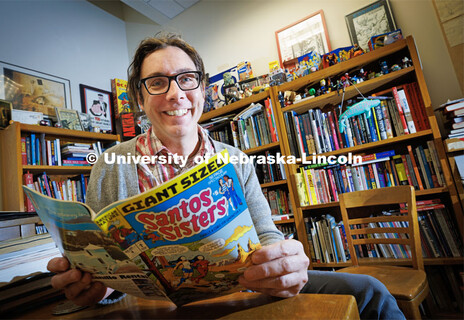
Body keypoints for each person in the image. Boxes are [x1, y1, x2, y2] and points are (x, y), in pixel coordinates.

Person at [47, 33, 405, 319]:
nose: (176, 94)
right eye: (157, 82)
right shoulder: (111, 164)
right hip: (156, 309)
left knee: (368, 291)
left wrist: (283, 264)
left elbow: (266, 235)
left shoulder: (236, 159)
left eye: (186, 79)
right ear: (140, 98)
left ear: (202, 90)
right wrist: (97, 287)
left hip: (246, 292)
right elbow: (101, 259)